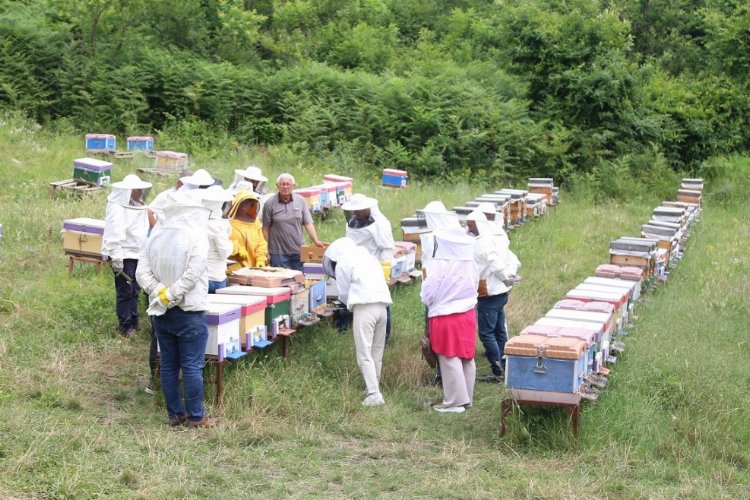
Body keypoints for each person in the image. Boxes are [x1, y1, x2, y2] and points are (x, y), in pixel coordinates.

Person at [135, 191, 216, 428]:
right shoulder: (197, 237)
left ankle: (175, 414)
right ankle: (196, 417)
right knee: (191, 366)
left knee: (169, 364)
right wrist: (171, 294)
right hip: (188, 311)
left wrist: (160, 292)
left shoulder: (155, 236)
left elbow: (141, 272)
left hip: (161, 311)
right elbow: (193, 273)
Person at [323, 237, 392, 407]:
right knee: (377, 351)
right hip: (383, 308)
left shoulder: (343, 263)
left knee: (364, 353)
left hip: (364, 308)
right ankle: (373, 387)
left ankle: (374, 394)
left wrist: (345, 304)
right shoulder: (370, 258)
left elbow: (344, 293)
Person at [420, 228, 479, 413]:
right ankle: (466, 397)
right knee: (466, 355)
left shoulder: (440, 264)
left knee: (448, 355)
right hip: (468, 314)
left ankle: (454, 402)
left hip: (446, 315)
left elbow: (429, 292)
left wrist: (427, 298)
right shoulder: (470, 263)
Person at [466, 209, 521, 382]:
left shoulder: (482, 242)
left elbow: (495, 264)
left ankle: (497, 371)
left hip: (489, 294)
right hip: (499, 293)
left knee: (486, 333)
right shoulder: (495, 238)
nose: (468, 229)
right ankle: (505, 365)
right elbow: (513, 260)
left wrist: (506, 278)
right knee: (498, 330)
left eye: (470, 225)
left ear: (479, 224)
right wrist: (508, 277)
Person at [102, 174, 152, 338]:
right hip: (124, 255)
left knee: (135, 290)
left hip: (139, 254)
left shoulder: (140, 206)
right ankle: (125, 327)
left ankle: (134, 321)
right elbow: (113, 233)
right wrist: (116, 257)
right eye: (138, 189)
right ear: (130, 191)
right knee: (125, 291)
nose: (141, 192)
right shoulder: (117, 207)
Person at [342, 193, 395, 341]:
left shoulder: (380, 223)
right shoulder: (351, 222)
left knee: (381, 302)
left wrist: (385, 274)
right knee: (360, 300)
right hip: (357, 267)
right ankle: (361, 331)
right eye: (355, 211)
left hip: (376, 268)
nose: (357, 213)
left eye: (360, 210)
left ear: (368, 208)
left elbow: (386, 249)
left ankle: (384, 336)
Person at [262, 173, 324, 271]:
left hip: (298, 250)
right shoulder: (269, 203)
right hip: (278, 253)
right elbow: (265, 229)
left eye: (288, 184)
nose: (285, 187)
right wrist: (267, 249)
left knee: (300, 280)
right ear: (277, 186)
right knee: (281, 281)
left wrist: (316, 240)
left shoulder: (301, 201)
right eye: (282, 184)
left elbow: (308, 223)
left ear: (293, 186)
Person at [201, 186, 235, 293]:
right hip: (215, 277)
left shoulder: (197, 221)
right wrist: (231, 244)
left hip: (199, 278)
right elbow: (225, 252)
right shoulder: (217, 226)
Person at [227, 189, 268, 270]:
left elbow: (261, 243)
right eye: (244, 203)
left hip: (254, 267)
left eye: (249, 204)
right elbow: (223, 242)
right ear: (237, 204)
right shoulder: (228, 223)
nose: (246, 206)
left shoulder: (255, 222)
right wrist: (237, 249)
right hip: (234, 268)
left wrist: (261, 259)